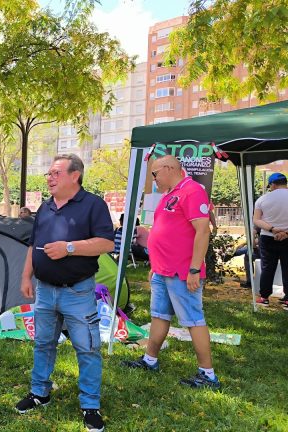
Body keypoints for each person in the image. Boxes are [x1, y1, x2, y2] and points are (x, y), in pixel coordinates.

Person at [14, 154, 113, 432]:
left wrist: (69, 247)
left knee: (87, 348)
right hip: (45, 291)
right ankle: (39, 393)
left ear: (75, 175)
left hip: (78, 292)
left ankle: (90, 405)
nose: (49, 178)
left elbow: (106, 243)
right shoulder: (44, 208)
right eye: (48, 173)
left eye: (56, 173)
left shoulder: (93, 205)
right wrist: (25, 276)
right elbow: (33, 246)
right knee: (43, 343)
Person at [121, 155, 220, 389]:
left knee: (194, 320)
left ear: (168, 168)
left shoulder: (192, 190)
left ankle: (208, 374)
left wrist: (194, 268)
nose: (154, 179)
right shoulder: (170, 194)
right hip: (163, 270)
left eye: (155, 174)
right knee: (159, 315)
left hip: (183, 271)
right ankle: (150, 359)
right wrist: (155, 265)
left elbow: (203, 231)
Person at [253, 172, 288, 307]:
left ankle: (264, 297)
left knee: (267, 268)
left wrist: (273, 229)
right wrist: (285, 232)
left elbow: (256, 220)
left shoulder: (263, 199)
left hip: (268, 237)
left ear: (272, 184)